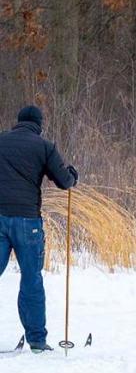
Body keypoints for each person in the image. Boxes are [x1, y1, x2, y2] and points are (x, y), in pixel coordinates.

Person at [0, 106, 78, 352]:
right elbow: (65, 182)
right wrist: (73, 175)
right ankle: (36, 340)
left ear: (19, 121)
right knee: (31, 279)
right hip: (28, 222)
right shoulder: (44, 146)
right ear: (39, 124)